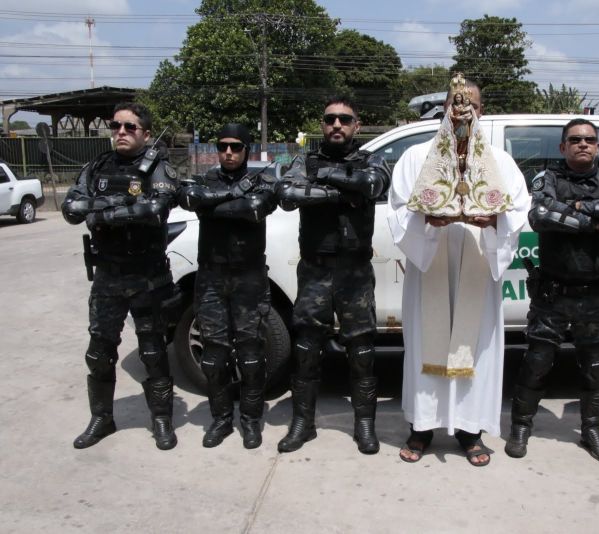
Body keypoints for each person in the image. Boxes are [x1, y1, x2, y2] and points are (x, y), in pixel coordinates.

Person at [388, 80, 530, 466]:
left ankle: (470, 430)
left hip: (478, 264)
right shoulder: (417, 158)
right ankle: (421, 427)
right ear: (445, 109)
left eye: (472, 105)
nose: (463, 112)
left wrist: (494, 223)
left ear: (481, 111)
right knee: (425, 344)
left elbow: (517, 212)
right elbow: (398, 208)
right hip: (430, 262)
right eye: (455, 104)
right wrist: (425, 221)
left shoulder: (500, 161)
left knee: (476, 347)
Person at [504, 119, 599, 463]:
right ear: (563, 147)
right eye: (575, 139)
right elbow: (539, 215)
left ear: (598, 147)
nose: (583, 144)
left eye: (589, 140)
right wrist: (598, 220)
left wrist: (579, 209)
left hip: (595, 292)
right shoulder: (547, 179)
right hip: (553, 291)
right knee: (537, 362)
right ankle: (521, 426)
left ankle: (591, 431)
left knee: (595, 365)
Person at [275, 97, 391, 455]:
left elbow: (375, 185)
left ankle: (365, 425)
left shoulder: (371, 159)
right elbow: (286, 194)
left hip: (354, 271)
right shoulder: (302, 160)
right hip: (316, 269)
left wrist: (323, 180)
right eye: (330, 119)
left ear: (357, 125)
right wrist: (343, 190)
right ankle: (302, 423)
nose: (337, 125)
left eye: (345, 119)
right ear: (322, 125)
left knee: (362, 349)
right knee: (307, 347)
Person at [62, 102, 179, 450]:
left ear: (144, 132)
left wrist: (101, 209)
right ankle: (102, 418)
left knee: (153, 351)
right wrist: (123, 209)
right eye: (116, 126)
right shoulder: (96, 166)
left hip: (148, 277)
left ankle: (161, 420)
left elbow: (155, 210)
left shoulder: (157, 168)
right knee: (99, 352)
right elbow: (71, 209)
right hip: (107, 278)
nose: (121, 132)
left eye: (129, 127)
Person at [177, 124, 278, 449]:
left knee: (250, 354)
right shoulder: (204, 181)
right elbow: (191, 200)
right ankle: (220, 419)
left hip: (249, 278)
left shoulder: (262, 182)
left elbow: (254, 209)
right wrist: (228, 202)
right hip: (211, 278)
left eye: (235, 146)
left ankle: (250, 420)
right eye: (223, 146)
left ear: (247, 148)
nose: (229, 152)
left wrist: (214, 206)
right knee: (214, 356)